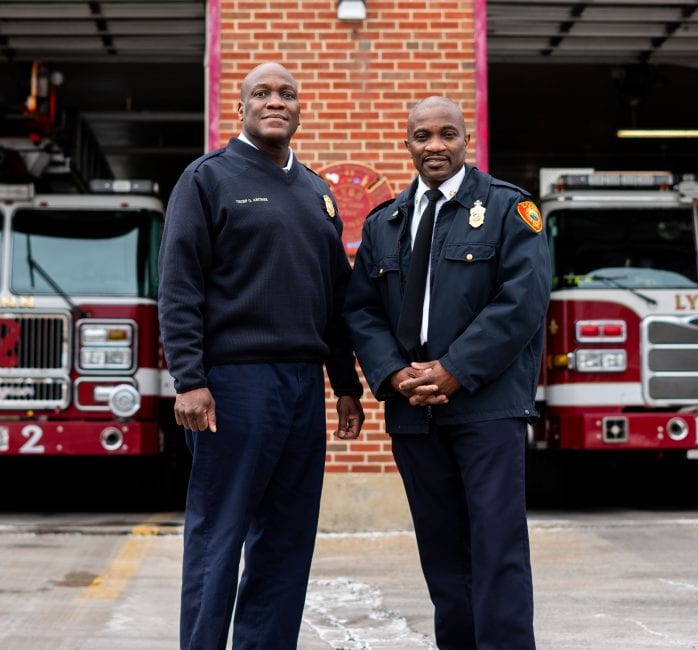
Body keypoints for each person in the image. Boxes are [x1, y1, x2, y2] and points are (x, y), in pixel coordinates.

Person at [158, 62, 364, 649]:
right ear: (242, 106)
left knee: (287, 539)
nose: (276, 102)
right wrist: (190, 379)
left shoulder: (317, 192)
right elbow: (178, 287)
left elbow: (334, 299)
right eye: (262, 93)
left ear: (300, 108)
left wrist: (344, 382)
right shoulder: (208, 179)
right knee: (218, 533)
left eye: (287, 94)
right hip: (234, 386)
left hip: (302, 387)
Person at [344, 96, 549, 648]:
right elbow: (361, 309)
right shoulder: (385, 221)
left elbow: (522, 302)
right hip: (414, 413)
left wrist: (456, 369)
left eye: (447, 134)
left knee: (496, 545)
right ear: (407, 143)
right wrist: (392, 374)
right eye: (422, 135)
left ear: (465, 139)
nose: (435, 145)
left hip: (486, 408)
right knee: (441, 549)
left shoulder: (510, 209)